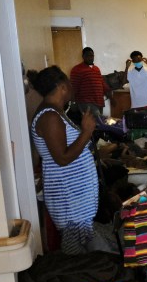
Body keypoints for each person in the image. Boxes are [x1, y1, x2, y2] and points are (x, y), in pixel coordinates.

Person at [30, 66, 98, 255]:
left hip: (75, 197)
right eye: (68, 82)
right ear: (62, 86)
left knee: (83, 250)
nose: (71, 85)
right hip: (68, 198)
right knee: (74, 252)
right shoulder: (49, 117)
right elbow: (62, 158)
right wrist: (86, 132)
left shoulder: (55, 112)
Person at [69, 47, 108, 117]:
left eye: (92, 56)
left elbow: (102, 83)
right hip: (86, 102)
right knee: (97, 121)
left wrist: (110, 96)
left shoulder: (96, 69)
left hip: (99, 101)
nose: (91, 58)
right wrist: (72, 101)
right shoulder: (76, 69)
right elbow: (74, 87)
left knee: (99, 125)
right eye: (88, 56)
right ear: (83, 57)